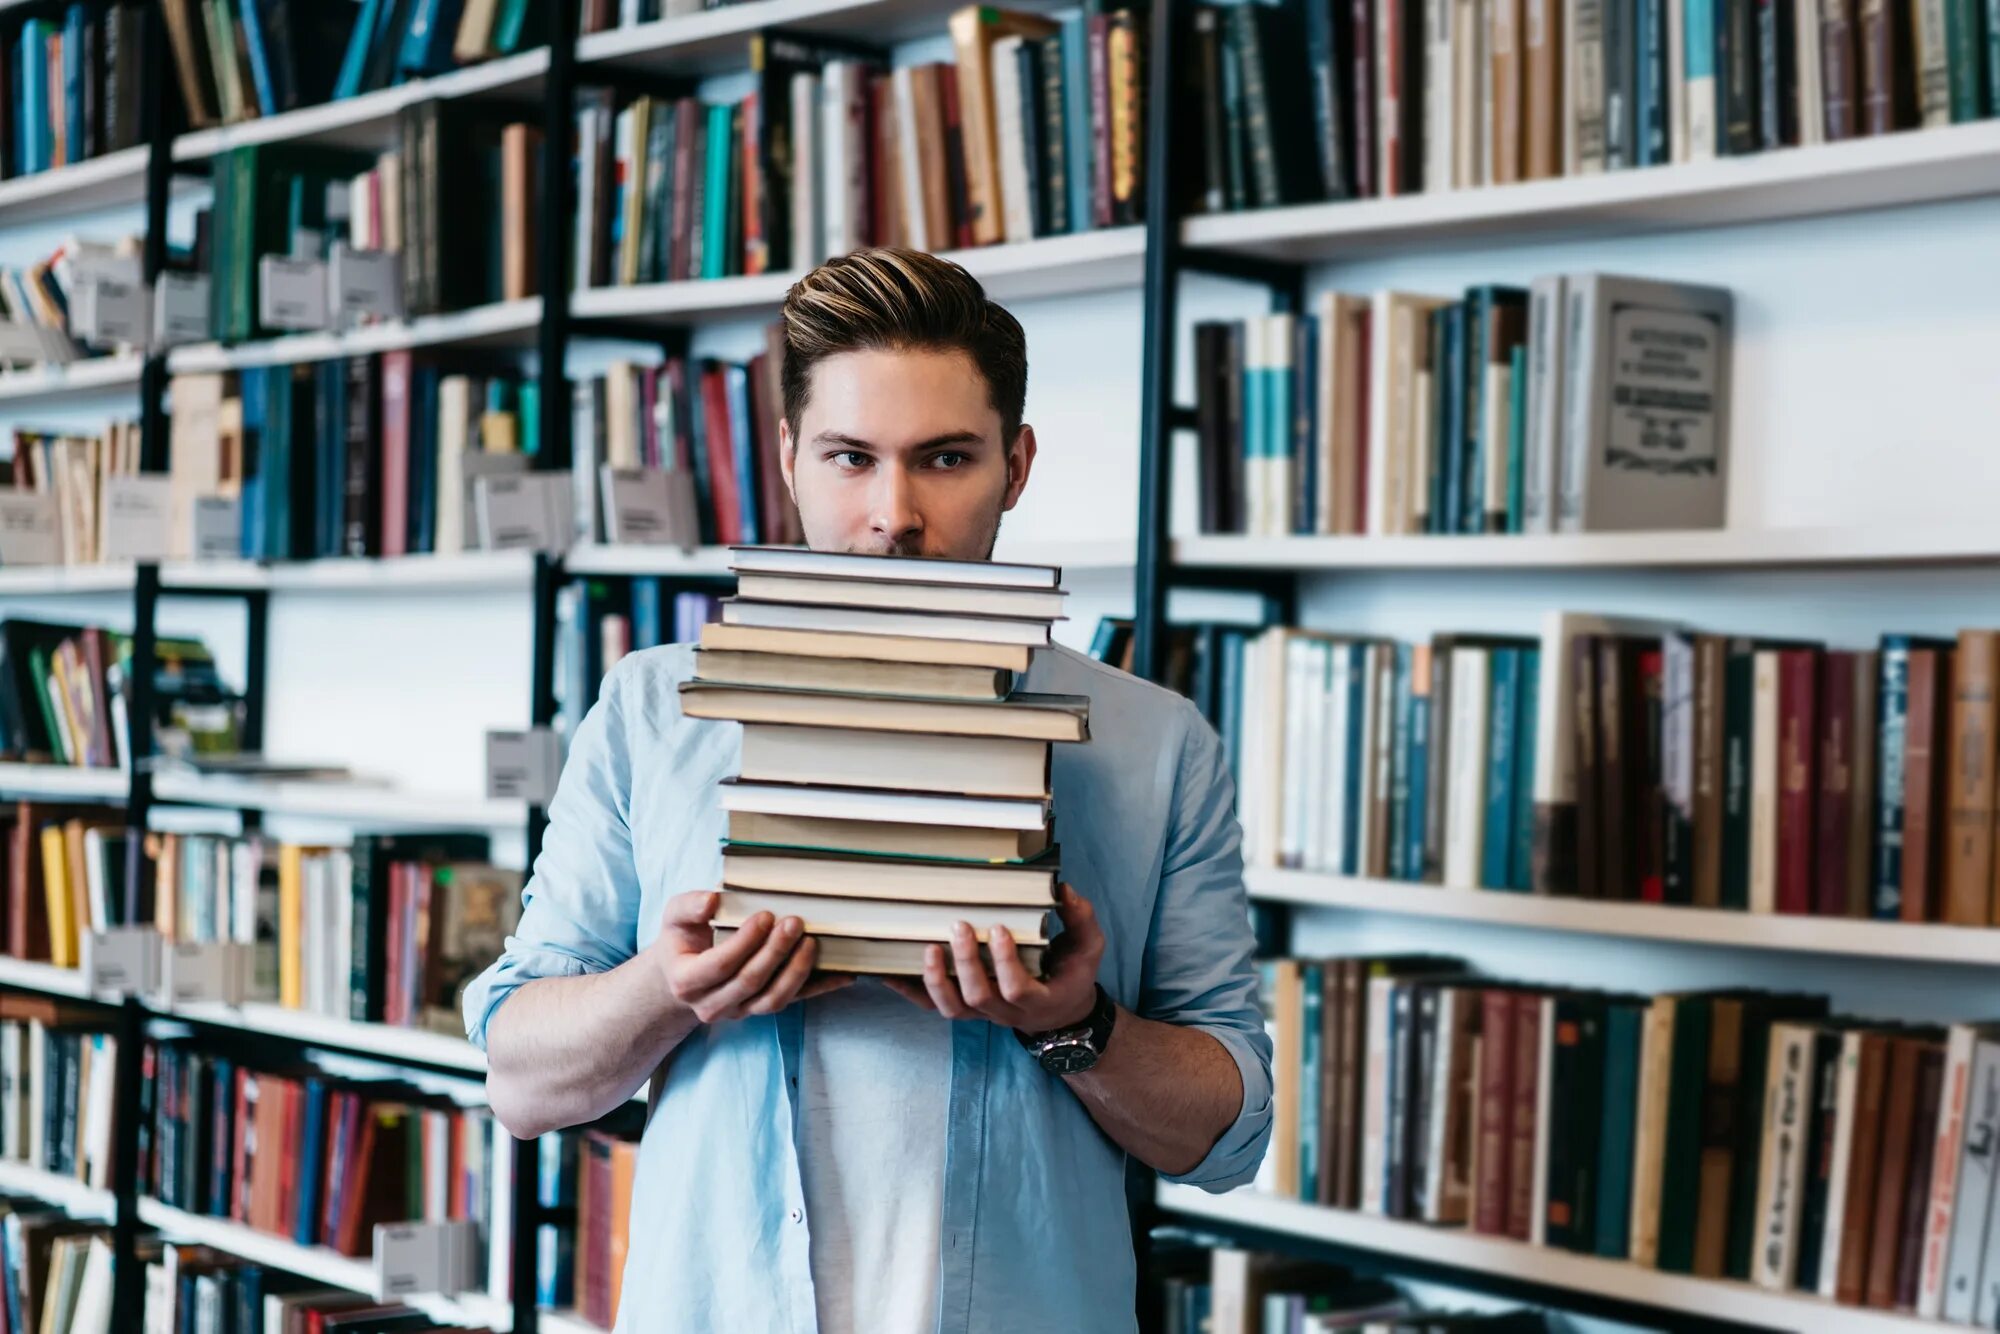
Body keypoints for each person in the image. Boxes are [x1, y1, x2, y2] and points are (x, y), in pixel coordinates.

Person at [465, 247, 1272, 1334]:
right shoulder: (654, 710)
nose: (893, 513)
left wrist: (1072, 1020)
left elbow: (1225, 1131)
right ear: (791, 457)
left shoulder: (1152, 740)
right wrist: (671, 983)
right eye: (850, 457)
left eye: (945, 457)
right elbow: (520, 1078)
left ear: (1015, 464)